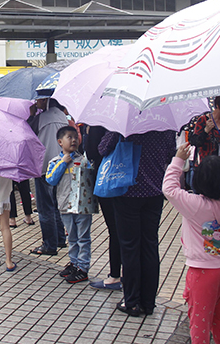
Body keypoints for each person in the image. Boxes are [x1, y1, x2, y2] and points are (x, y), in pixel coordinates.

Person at [99, 129, 176, 317]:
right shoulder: (164, 127)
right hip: (155, 193)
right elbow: (170, 153)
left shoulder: (125, 124)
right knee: (150, 245)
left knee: (130, 247)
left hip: (128, 192)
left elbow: (102, 148)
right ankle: (148, 303)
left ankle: (131, 301)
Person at [163, 144, 220, 344]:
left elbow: (168, 189)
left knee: (199, 322)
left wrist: (178, 160)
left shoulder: (195, 205)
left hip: (202, 272)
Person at [46, 125, 92, 284]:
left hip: (82, 207)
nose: (73, 140)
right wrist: (63, 163)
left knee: (83, 237)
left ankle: (83, 268)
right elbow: (50, 179)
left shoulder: (84, 160)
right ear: (60, 141)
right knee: (72, 237)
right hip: (65, 206)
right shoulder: (55, 161)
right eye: (69, 137)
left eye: (75, 137)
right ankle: (74, 263)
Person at [29, 98, 69, 256]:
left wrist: (31, 115)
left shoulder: (42, 118)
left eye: (38, 98)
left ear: (45, 99)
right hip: (61, 165)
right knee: (57, 205)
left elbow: (27, 133)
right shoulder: (62, 116)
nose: (36, 101)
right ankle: (59, 238)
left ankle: (49, 245)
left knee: (45, 208)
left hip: (45, 166)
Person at [86, 124, 122, 291]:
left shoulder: (105, 122)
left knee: (115, 230)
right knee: (144, 236)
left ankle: (115, 275)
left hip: (110, 180)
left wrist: (90, 132)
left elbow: (95, 151)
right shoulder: (156, 124)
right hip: (145, 186)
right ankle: (135, 277)